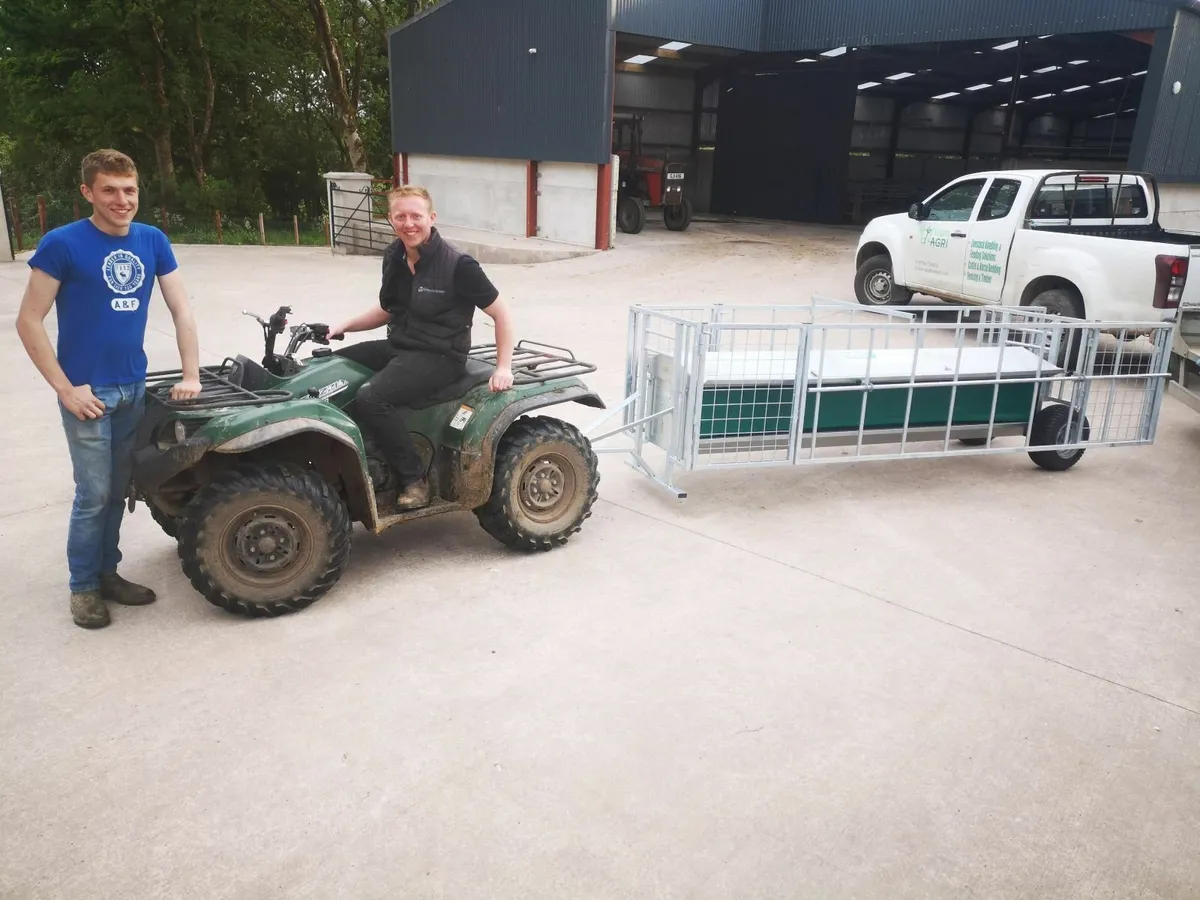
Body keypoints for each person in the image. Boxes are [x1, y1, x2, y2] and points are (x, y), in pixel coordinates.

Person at [16, 149, 201, 630]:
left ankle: (108, 573)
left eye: (129, 190)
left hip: (132, 388)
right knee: (94, 493)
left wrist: (190, 374)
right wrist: (65, 389)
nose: (122, 200)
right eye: (109, 190)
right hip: (87, 393)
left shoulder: (152, 240)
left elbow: (182, 309)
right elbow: (29, 321)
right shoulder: (62, 244)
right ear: (88, 193)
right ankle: (83, 588)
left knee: (118, 490)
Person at [330, 185, 515, 511]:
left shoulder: (458, 265)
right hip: (400, 346)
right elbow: (389, 310)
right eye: (400, 216)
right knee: (332, 368)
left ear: (431, 217)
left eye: (416, 215)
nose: (408, 223)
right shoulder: (394, 256)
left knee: (372, 396)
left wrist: (504, 367)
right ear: (390, 219)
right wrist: (344, 326)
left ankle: (415, 479)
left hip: (441, 356)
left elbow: (501, 313)